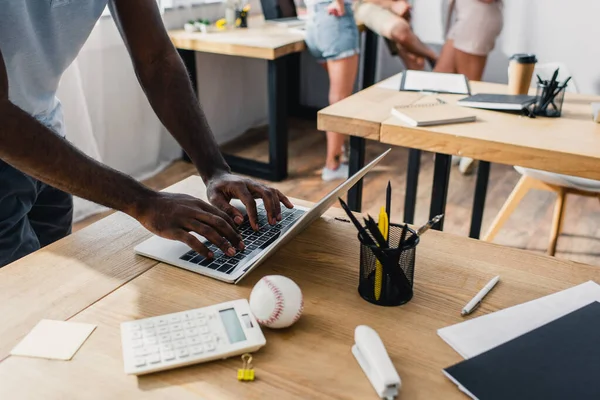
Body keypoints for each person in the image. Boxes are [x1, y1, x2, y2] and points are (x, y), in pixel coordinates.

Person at [0, 1, 293, 268]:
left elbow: (156, 59)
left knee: (52, 289)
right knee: (18, 306)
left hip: (47, 137)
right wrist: (141, 201)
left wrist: (215, 170)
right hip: (11, 141)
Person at [434, 0, 503, 174]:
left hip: (477, 18)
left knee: (470, 90)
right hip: (465, 16)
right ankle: (457, 144)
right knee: (441, 78)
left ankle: (471, 148)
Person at [305, 0, 360, 181]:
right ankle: (333, 165)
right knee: (340, 100)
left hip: (314, 22)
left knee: (338, 95)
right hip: (335, 19)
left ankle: (339, 153)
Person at [354, 0, 438, 69]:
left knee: (414, 59)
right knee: (400, 31)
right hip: (363, 4)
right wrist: (392, 5)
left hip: (393, 6)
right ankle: (436, 58)